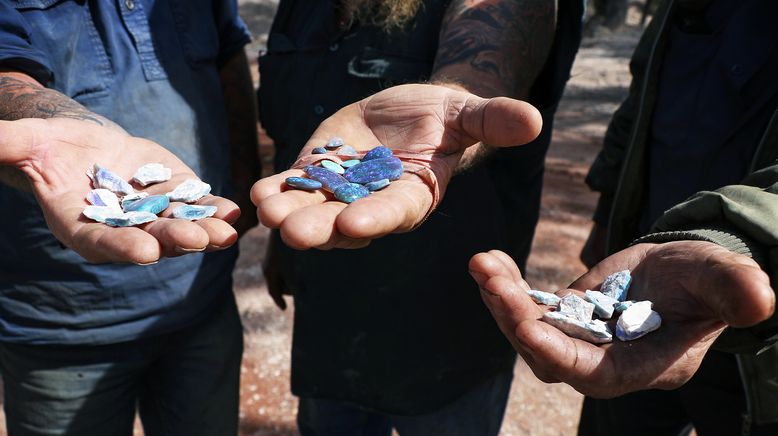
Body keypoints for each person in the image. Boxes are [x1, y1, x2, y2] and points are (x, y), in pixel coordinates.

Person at [251, 0, 583, 433]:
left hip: (444, 333)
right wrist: (282, 247)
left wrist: (451, 109)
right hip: (328, 323)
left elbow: (480, 67)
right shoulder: (304, 9)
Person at [471, 0, 778, 434]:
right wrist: (606, 215)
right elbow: (640, 104)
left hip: (758, 349)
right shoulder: (681, 10)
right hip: (645, 267)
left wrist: (736, 241)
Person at [0, 1, 261, 434]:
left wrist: (246, 179)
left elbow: (228, 52)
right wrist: (62, 127)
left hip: (201, 296)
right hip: (59, 325)